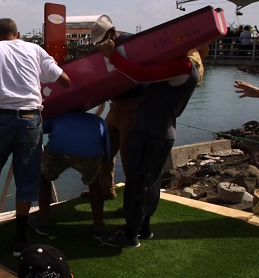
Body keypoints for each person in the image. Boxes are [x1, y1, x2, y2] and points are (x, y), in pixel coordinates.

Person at [0, 17, 70, 256]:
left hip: (3, 119)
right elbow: (65, 81)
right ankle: (20, 237)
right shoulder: (34, 49)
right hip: (31, 120)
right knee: (27, 175)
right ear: (17, 35)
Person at [98, 39, 208, 248]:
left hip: (151, 132)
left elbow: (141, 75)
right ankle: (143, 227)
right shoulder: (186, 70)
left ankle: (130, 234)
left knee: (138, 183)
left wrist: (113, 55)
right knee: (150, 183)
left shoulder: (183, 67)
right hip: (160, 132)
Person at [82, 18, 144, 204]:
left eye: (102, 39)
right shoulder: (102, 50)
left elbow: (140, 73)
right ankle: (106, 188)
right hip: (116, 105)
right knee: (105, 148)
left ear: (111, 33)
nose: (100, 44)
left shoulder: (131, 44)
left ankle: (132, 204)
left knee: (129, 155)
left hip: (134, 105)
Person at [29, 110, 110, 239]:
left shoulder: (58, 117)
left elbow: (39, 127)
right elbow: (106, 149)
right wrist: (101, 165)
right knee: (95, 182)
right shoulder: (98, 120)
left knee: (44, 177)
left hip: (58, 151)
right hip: (89, 154)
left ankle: (44, 223)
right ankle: (99, 226)